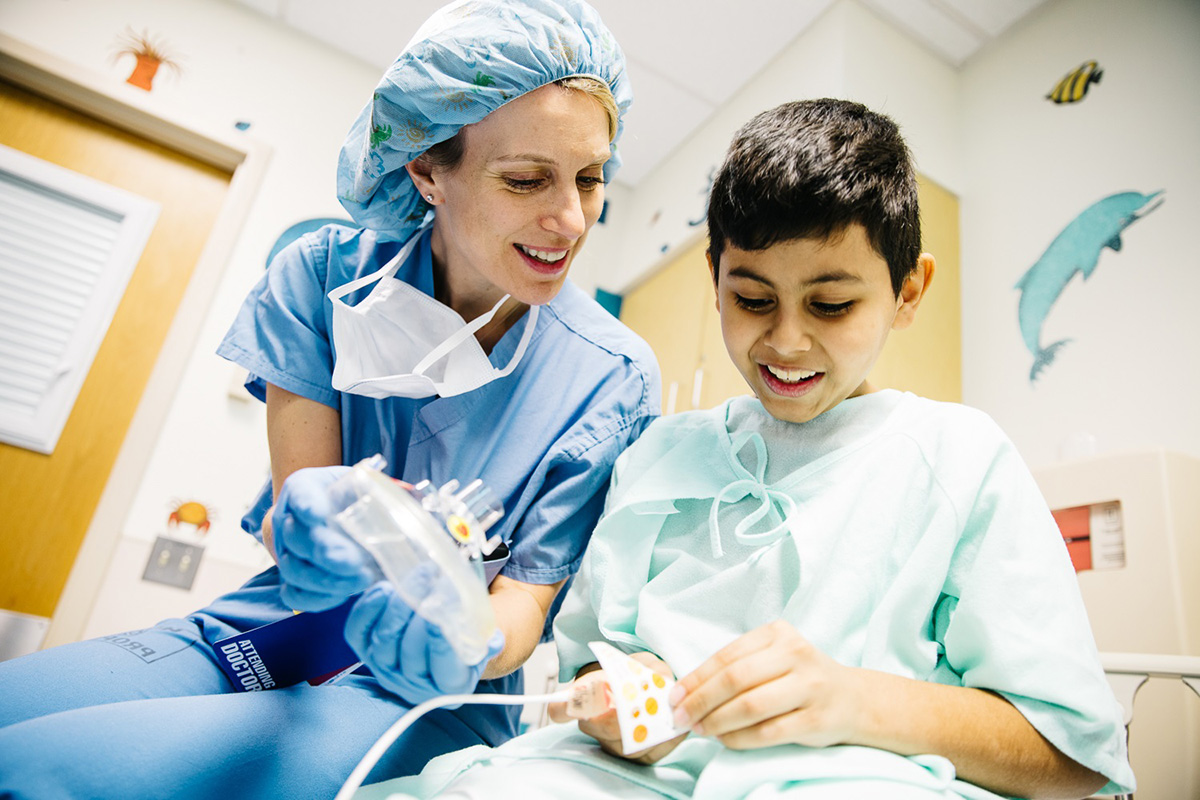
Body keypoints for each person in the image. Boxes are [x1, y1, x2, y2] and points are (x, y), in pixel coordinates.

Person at [356, 99, 1135, 800]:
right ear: (715, 279)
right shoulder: (661, 454)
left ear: (908, 292)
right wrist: (620, 703)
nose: (786, 341)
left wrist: (857, 702)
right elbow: (596, 656)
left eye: (831, 304)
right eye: (753, 299)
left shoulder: (957, 458)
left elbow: (1071, 757)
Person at [0, 1, 659, 797]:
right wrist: (311, 517)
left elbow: (521, 609)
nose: (570, 219)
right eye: (526, 180)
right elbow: (295, 516)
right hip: (272, 628)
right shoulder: (321, 277)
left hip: (431, 693)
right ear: (425, 169)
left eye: (592, 180)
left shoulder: (611, 375)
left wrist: (469, 637)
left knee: (41, 775)